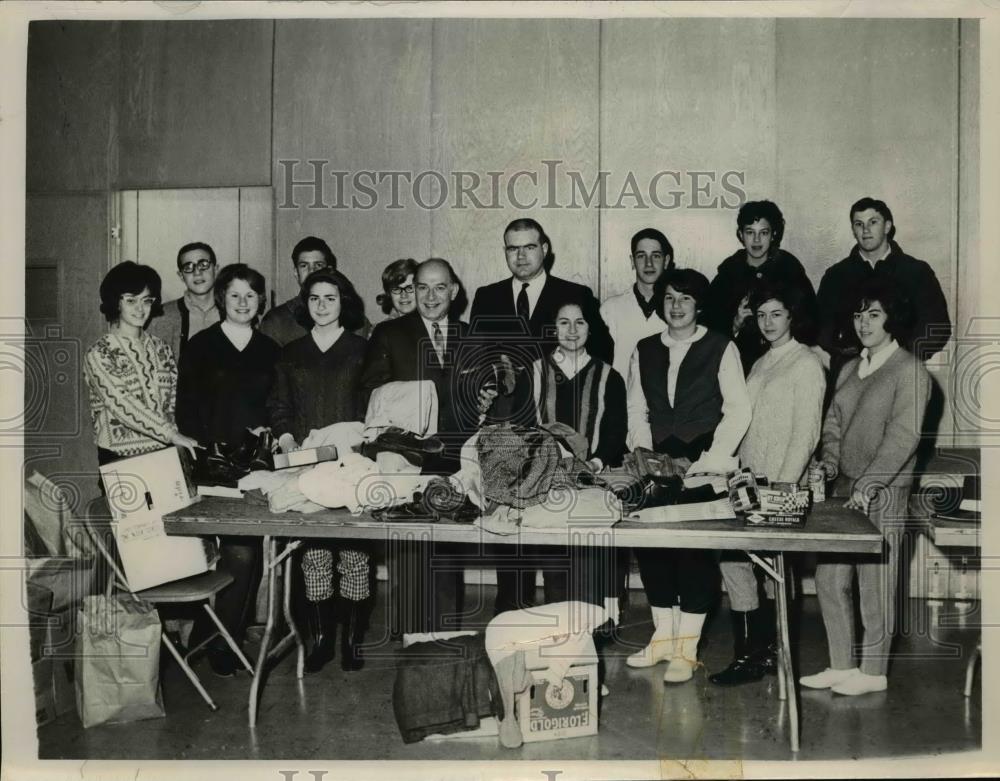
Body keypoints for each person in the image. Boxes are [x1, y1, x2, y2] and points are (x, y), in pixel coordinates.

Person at [469, 217, 611, 613]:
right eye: (512, 248)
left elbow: (601, 351)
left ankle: (562, 624)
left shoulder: (574, 292)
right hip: (507, 433)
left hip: (558, 427)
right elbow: (477, 358)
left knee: (556, 533)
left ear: (544, 248)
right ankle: (512, 622)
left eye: (528, 247)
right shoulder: (487, 296)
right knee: (510, 535)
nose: (520, 255)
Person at [801, 279, 930, 696]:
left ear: (892, 318)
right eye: (858, 315)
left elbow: (904, 436)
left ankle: (873, 673)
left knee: (876, 584)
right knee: (828, 578)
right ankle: (843, 665)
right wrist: (830, 463)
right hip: (846, 488)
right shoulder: (851, 366)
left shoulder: (910, 370)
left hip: (887, 491)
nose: (863, 323)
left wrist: (871, 483)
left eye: (873, 314)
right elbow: (834, 423)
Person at [625, 268, 751, 683]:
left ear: (699, 305)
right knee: (655, 553)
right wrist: (647, 456)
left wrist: (712, 459)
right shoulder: (643, 349)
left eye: (684, 299)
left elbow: (738, 410)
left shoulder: (720, 346)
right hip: (657, 470)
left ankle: (687, 648)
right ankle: (662, 640)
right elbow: (636, 409)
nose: (676, 306)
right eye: (669, 298)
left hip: (702, 469)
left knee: (694, 557)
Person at [360, 258, 489, 636]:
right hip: (407, 458)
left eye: (439, 288)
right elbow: (369, 395)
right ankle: (412, 638)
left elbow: (482, 394)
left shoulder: (471, 335)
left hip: (456, 459)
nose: (430, 296)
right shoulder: (388, 334)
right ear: (412, 291)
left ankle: (443, 634)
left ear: (453, 291)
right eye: (422, 288)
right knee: (409, 550)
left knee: (447, 550)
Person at [710, 282, 826, 686]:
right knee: (735, 562)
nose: (768, 322)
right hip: (749, 482)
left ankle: (774, 652)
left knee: (776, 570)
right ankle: (750, 654)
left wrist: (782, 489)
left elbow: (807, 434)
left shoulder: (807, 363)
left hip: (780, 486)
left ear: (792, 316)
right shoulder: (760, 362)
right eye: (761, 315)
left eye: (776, 313)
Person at [175, 264, 279, 677]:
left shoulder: (272, 350)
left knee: (244, 551)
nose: (242, 302)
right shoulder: (201, 346)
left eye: (250, 296)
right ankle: (213, 636)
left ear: (261, 301)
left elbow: (277, 405)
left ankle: (217, 640)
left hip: (254, 467)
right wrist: (201, 453)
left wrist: (269, 431)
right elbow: (185, 409)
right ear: (222, 299)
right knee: (213, 556)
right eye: (234, 295)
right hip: (210, 466)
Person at [268, 268, 371, 672]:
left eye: (330, 297)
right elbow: (280, 407)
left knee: (355, 555)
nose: (322, 306)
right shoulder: (290, 353)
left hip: (352, 465)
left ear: (343, 302)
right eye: (314, 298)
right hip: (307, 465)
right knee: (314, 557)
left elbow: (371, 410)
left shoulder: (362, 350)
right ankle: (322, 640)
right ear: (305, 303)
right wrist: (288, 438)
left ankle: (352, 642)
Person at [522, 293, 627, 613]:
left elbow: (615, 431)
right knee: (557, 563)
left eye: (579, 322)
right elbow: (523, 428)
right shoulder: (536, 373)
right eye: (563, 322)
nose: (571, 330)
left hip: (592, 479)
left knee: (591, 558)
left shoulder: (609, 376)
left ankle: (594, 629)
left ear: (590, 328)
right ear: (553, 329)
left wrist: (591, 464)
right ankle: (560, 634)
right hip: (548, 481)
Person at [816, 197, 951, 380]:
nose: (865, 230)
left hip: (902, 374)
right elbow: (822, 328)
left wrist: (901, 357)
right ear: (853, 230)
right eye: (859, 224)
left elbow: (936, 326)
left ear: (887, 226)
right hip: (850, 376)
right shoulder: (836, 276)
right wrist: (853, 356)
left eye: (873, 222)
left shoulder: (916, 272)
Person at [83, 261, 199, 467]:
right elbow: (123, 403)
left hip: (165, 454)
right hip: (120, 457)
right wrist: (171, 434)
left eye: (146, 301)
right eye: (130, 300)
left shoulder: (162, 348)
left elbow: (173, 404)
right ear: (116, 303)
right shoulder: (99, 352)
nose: (140, 308)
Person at [705, 200, 816, 375]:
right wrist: (735, 323)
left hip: (785, 365)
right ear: (741, 234)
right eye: (750, 232)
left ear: (773, 235)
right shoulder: (728, 274)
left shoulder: (789, 269)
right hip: (736, 367)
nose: (756, 240)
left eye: (763, 233)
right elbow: (707, 328)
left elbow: (811, 322)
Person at [259, 236, 371, 346]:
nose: (312, 271)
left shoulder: (356, 319)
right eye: (304, 266)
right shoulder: (276, 321)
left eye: (318, 265)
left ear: (330, 270)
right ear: (295, 272)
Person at [599, 227, 674, 381]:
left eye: (656, 256)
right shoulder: (610, 309)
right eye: (641, 256)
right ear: (632, 261)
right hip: (620, 401)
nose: (649, 263)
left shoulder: (678, 309)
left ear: (666, 261)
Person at [147, 242, 220, 360]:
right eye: (188, 267)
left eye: (203, 264)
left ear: (216, 269)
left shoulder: (233, 313)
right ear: (181, 276)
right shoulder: (161, 317)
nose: (197, 272)